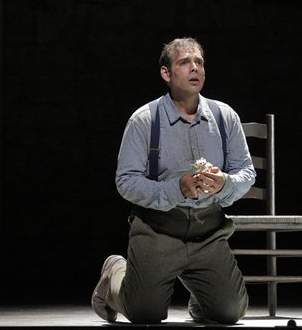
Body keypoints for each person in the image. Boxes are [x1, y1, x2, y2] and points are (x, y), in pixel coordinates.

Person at [91, 37, 256, 324]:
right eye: (184, 63)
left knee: (231, 312)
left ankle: (201, 297)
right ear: (167, 74)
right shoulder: (145, 120)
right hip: (159, 231)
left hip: (208, 232)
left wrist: (225, 184)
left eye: (199, 63)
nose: (195, 68)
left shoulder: (224, 116)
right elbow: (126, 181)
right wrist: (175, 188)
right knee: (145, 313)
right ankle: (114, 272)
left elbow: (246, 171)